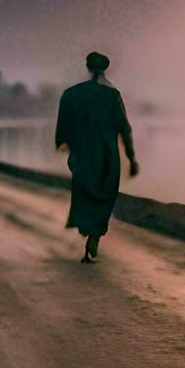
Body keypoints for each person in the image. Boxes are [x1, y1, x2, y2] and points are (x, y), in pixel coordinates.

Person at [54, 51, 138, 263]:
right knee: (105, 195)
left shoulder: (72, 94)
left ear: (88, 67)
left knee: (85, 193)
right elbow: (124, 129)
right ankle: (94, 235)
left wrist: (66, 146)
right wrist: (131, 157)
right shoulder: (112, 95)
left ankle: (86, 229)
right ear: (104, 68)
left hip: (82, 154)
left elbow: (64, 127)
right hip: (107, 155)